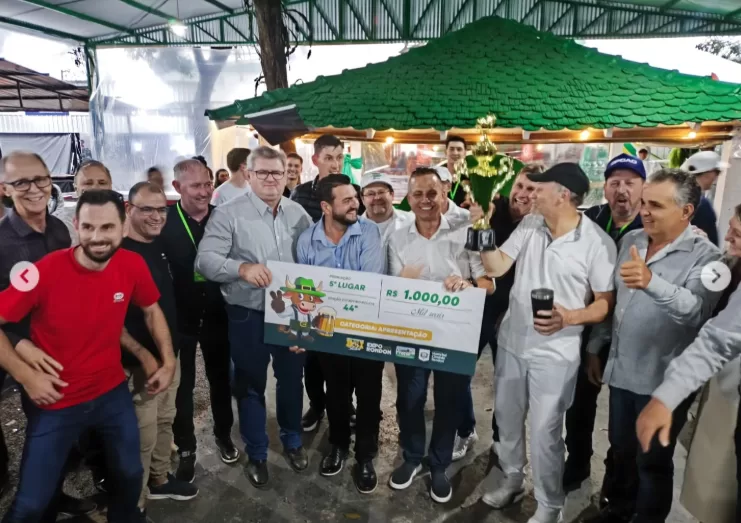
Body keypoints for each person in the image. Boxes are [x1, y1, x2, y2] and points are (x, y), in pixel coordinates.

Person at [0, 189, 176, 523]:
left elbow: (151, 310)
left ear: (123, 227)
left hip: (111, 393)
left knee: (129, 475)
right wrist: (26, 376)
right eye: (88, 227)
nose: (97, 237)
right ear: (76, 226)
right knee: (31, 503)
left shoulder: (132, 264)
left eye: (107, 227)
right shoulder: (44, 271)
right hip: (56, 401)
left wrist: (167, 361)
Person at [479, 163, 617, 523]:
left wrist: (568, 317)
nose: (531, 194)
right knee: (507, 419)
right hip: (513, 342)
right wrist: (482, 226)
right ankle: (512, 480)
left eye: (540, 188)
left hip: (556, 353)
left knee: (545, 433)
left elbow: (604, 303)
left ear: (563, 195)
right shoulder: (530, 225)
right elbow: (496, 267)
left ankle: (549, 504)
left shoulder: (596, 243)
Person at [585, 169, 722, 523]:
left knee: (652, 462)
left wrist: (652, 283)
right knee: (621, 449)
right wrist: (596, 346)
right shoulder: (632, 240)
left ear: (686, 211)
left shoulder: (707, 257)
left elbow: (696, 311)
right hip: (621, 370)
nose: (644, 211)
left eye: (656, 205)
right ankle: (618, 510)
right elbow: (615, 302)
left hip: (663, 381)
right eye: (644, 202)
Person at [195, 146, 312, 488]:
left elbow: (313, 263)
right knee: (250, 385)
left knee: (292, 380)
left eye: (277, 172)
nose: (271, 179)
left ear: (287, 174)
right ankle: (257, 452)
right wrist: (241, 268)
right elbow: (205, 261)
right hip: (248, 313)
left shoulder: (299, 215)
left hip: (292, 314)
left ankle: (292, 440)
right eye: (262, 172)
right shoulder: (228, 214)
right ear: (248, 174)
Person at [387, 167, 493, 503]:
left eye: (432, 193)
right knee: (410, 398)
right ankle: (412, 457)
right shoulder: (397, 237)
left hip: (455, 334)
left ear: (444, 193)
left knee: (449, 400)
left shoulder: (468, 230)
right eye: (417, 194)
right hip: (411, 331)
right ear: (408, 198)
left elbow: (490, 283)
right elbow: (389, 290)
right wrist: (401, 282)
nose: (425, 200)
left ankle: (439, 464)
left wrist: (468, 284)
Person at [0, 151, 95, 518]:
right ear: (5, 189)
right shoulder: (3, 242)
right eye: (21, 182)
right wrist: (24, 365)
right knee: (44, 436)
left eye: (40, 179)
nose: (34, 188)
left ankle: (55, 499)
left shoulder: (58, 229)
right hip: (28, 358)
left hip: (66, 351)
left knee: (64, 433)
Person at [636, 212, 741, 523]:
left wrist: (653, 283)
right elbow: (717, 337)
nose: (728, 237)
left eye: (737, 233)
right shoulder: (719, 261)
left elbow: (704, 324)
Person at [295, 174, 384, 493]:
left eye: (355, 198)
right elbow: (304, 290)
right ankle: (338, 445)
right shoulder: (307, 240)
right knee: (336, 391)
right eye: (347, 200)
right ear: (326, 206)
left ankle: (365, 456)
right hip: (326, 332)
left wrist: (329, 296)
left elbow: (370, 284)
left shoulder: (369, 232)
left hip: (366, 328)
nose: (355, 204)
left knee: (369, 394)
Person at [563, 153, 646, 496]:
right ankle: (578, 462)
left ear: (643, 188)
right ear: (605, 188)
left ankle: (619, 482)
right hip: (593, 324)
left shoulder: (653, 224)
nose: (621, 190)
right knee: (580, 404)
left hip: (634, 336)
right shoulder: (592, 219)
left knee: (626, 417)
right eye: (614, 183)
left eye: (630, 183)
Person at [453, 165, 540, 462]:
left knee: (508, 383)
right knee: (458, 371)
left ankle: (502, 442)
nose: (523, 194)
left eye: (531, 189)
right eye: (520, 186)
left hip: (515, 313)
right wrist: (476, 218)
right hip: (480, 305)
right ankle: (465, 429)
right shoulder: (491, 207)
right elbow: (472, 249)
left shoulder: (541, 225)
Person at [118, 181, 196, 512]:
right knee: (141, 437)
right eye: (146, 209)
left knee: (166, 420)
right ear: (128, 209)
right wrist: (145, 356)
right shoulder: (119, 254)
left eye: (161, 209)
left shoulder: (160, 245)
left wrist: (169, 357)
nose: (156, 216)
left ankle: (160, 480)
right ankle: (132, 506)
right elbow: (111, 321)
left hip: (168, 358)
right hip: (139, 367)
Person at [162, 159, 238, 483]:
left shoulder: (224, 219)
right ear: (177, 187)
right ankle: (186, 448)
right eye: (196, 186)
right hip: (180, 319)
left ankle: (224, 434)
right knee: (183, 386)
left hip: (218, 314)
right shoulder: (164, 223)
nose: (205, 191)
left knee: (221, 380)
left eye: (208, 184)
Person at [291, 134, 362, 432]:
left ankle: (345, 405)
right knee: (312, 359)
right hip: (312, 288)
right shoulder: (299, 195)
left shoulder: (352, 191)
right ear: (315, 159)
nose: (335, 163)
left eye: (339, 157)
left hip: (346, 287)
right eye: (329, 158)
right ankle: (317, 405)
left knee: (345, 355)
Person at [677, 205, 741, 523]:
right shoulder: (729, 264)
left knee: (724, 471)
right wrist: (693, 248)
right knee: (711, 463)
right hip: (718, 381)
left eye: (736, 233)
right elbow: (702, 293)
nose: (727, 236)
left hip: (733, 387)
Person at [54, 160, 113, 244]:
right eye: (88, 183)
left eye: (102, 183)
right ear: (76, 188)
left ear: (111, 187)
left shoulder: (123, 219)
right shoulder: (61, 222)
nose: (96, 188)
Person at [682, 150, 724, 246]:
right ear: (707, 173)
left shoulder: (682, 198)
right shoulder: (701, 204)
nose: (717, 176)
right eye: (717, 172)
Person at [359, 171, 413, 243]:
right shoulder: (352, 229)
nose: (377, 197)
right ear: (362, 199)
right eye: (370, 194)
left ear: (392, 195)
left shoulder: (412, 221)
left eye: (381, 192)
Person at [442, 135, 468, 207]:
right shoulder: (436, 176)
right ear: (445, 152)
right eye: (451, 149)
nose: (455, 153)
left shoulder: (471, 177)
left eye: (459, 149)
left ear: (465, 153)